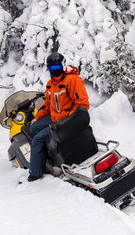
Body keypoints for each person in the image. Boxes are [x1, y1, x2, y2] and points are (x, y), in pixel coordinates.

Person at [27, 52, 90, 182]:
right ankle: (45, 156)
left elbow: (82, 105)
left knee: (37, 139)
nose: (55, 71)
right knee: (32, 128)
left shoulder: (72, 80)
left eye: (57, 67)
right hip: (54, 117)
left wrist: (68, 120)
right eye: (52, 68)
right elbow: (48, 105)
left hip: (66, 120)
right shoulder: (51, 84)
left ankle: (36, 172)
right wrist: (37, 118)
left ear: (63, 66)